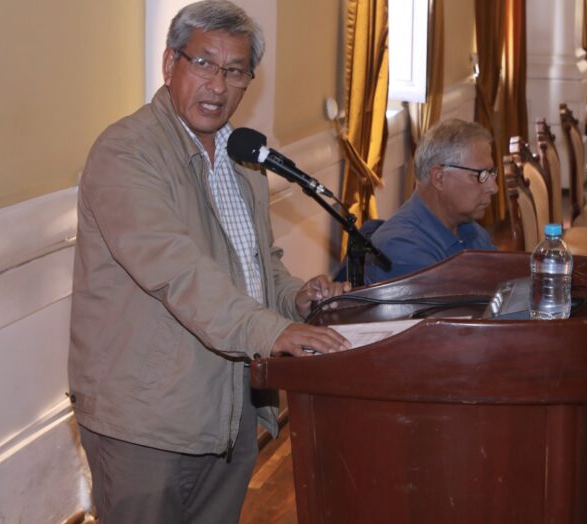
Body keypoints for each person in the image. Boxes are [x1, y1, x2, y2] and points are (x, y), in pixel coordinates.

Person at [68, 1, 350, 522]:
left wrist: (294, 298)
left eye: (235, 71)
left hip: (230, 406)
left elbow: (257, 263)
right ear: (169, 63)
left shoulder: (243, 160)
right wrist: (273, 331)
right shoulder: (126, 152)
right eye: (203, 63)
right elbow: (177, 271)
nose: (218, 85)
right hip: (147, 421)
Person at [364, 118, 499, 284]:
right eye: (481, 175)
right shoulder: (402, 249)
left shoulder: (469, 228)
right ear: (439, 178)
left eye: (492, 173)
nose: (494, 188)